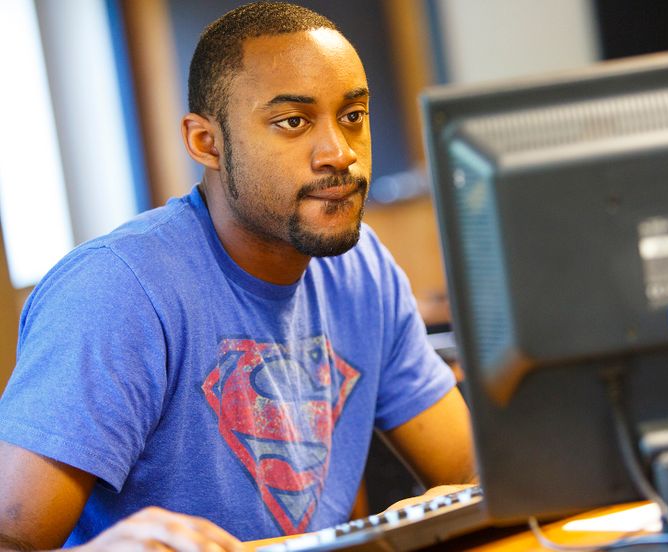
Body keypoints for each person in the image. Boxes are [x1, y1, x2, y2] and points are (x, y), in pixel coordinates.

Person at [0, 2, 476, 550]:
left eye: (353, 116)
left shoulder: (361, 267)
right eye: (292, 122)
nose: (339, 153)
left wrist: (433, 512)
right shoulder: (115, 291)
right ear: (207, 143)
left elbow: (470, 470)